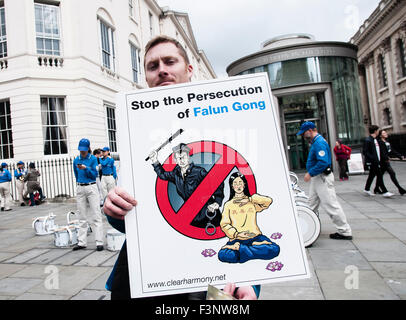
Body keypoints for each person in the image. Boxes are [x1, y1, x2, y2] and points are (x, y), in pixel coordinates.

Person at [103, 35, 259, 300]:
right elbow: (137, 211)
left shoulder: (226, 118)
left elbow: (243, 193)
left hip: (210, 266)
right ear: (146, 76)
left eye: (170, 61)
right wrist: (114, 211)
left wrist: (250, 280)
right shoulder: (136, 128)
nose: (162, 69)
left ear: (189, 69)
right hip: (146, 275)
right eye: (153, 66)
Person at [297, 121, 352, 240]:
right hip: (318, 177)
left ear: (310, 130)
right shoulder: (316, 142)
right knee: (311, 203)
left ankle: (344, 231)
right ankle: (308, 226)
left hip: (321, 177)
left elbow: (323, 162)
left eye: (304, 133)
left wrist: (310, 173)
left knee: (330, 204)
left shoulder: (319, 143)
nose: (303, 136)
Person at [149, 142, 224, 229]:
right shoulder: (175, 174)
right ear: (175, 160)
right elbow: (162, 175)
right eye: (178, 158)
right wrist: (155, 160)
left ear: (188, 157)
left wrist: (217, 203)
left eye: (183, 157)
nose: (181, 160)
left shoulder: (199, 171)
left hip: (209, 214)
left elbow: (217, 183)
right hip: (192, 217)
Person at [218, 172, 280, 264]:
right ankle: (251, 250)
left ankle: (242, 251)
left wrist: (250, 199)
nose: (238, 186)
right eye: (235, 183)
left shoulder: (252, 202)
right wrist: (237, 234)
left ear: (244, 185)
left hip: (255, 238)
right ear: (231, 186)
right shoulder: (228, 205)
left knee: (275, 249)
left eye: (240, 182)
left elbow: (268, 201)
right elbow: (224, 224)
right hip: (237, 239)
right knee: (223, 255)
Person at [72, 138, 104, 251]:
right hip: (80, 186)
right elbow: (76, 174)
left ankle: (99, 242)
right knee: (81, 215)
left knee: (96, 214)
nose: (82, 152)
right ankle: (82, 242)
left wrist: (86, 169)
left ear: (88, 148)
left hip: (91, 186)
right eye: (81, 150)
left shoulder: (93, 159)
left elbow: (94, 174)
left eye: (84, 150)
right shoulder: (76, 160)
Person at [362, 125, 394, 197]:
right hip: (373, 162)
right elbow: (365, 152)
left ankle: (367, 189)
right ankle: (385, 191)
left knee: (372, 175)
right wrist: (373, 159)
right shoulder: (368, 140)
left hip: (376, 161)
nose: (378, 132)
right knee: (379, 175)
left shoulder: (374, 140)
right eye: (378, 130)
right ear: (375, 131)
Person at [374, 129, 406, 195]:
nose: (386, 134)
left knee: (380, 175)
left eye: (385, 133)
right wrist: (386, 158)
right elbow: (381, 153)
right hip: (383, 162)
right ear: (380, 135)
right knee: (392, 173)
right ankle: (400, 189)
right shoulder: (380, 142)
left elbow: (391, 150)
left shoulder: (387, 142)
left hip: (386, 161)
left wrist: (400, 156)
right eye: (384, 133)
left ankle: (376, 188)